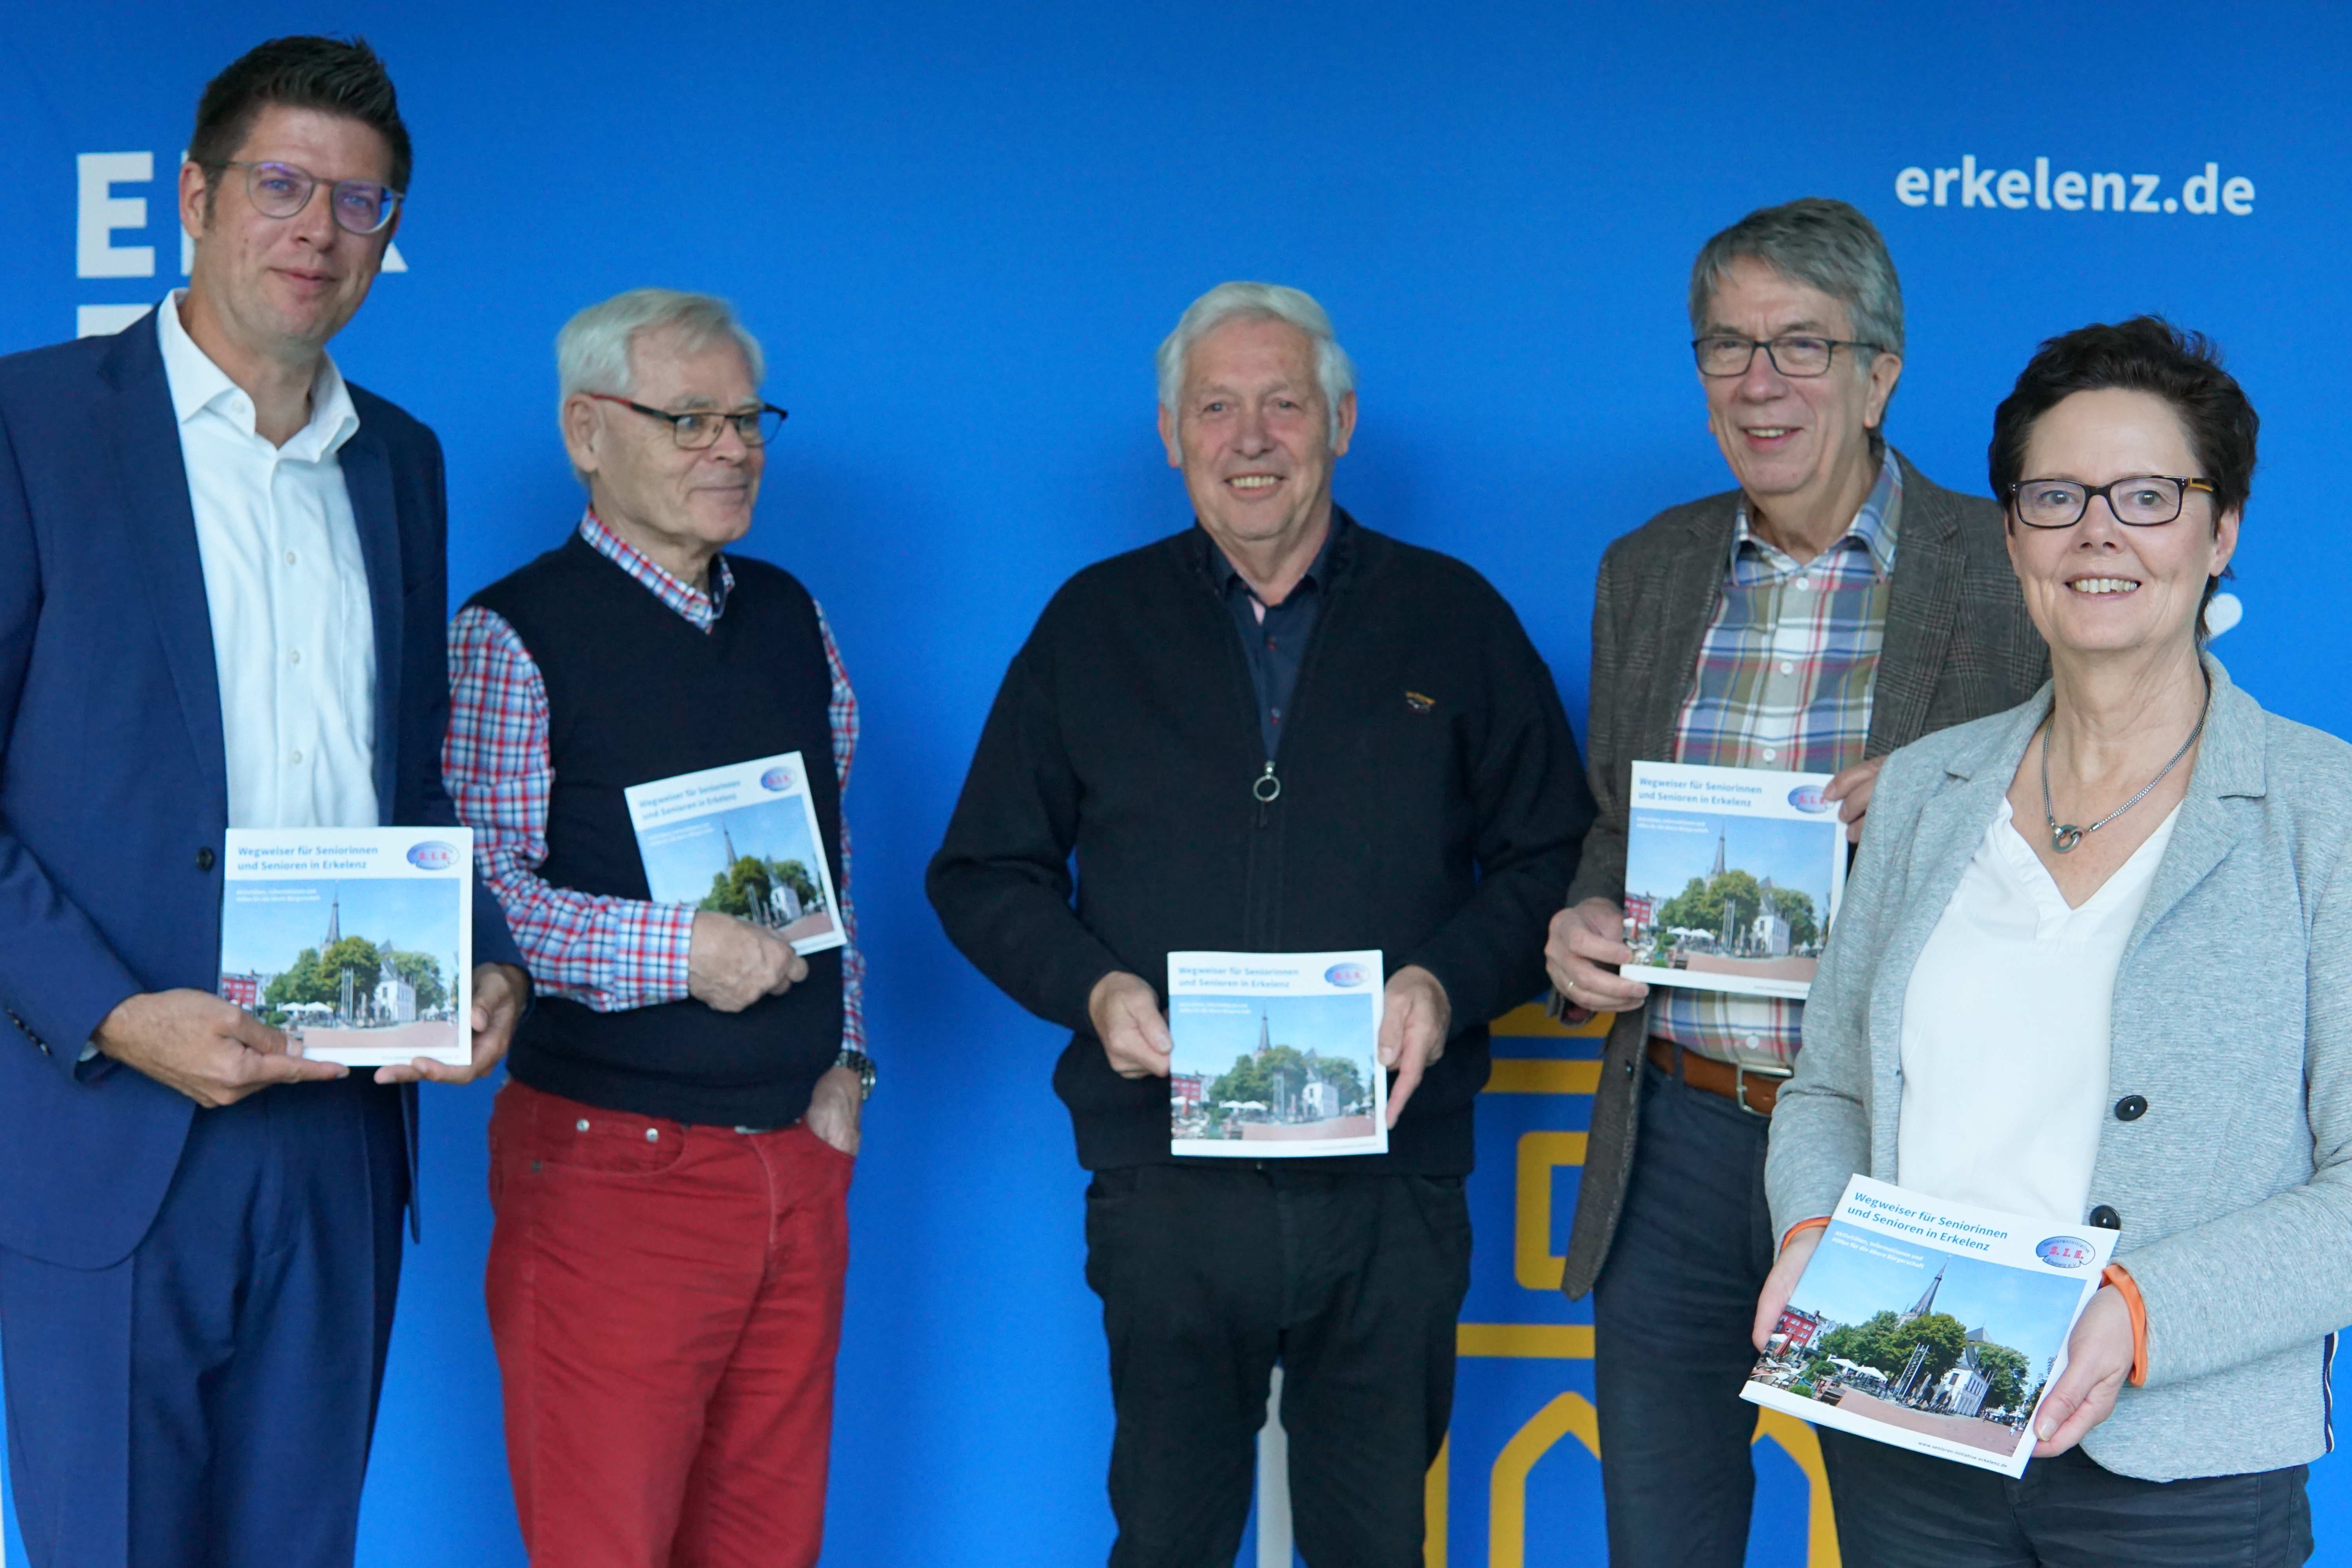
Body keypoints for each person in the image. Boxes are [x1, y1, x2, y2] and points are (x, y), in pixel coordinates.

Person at [927, 281, 1593, 1566]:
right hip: (1168, 1187)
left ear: (1340, 421)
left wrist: (1449, 983)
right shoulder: (1091, 625)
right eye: (1215, 408)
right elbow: (982, 871)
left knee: (1375, 1548)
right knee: (1169, 1542)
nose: (1251, 437)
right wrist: (1096, 991)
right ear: (1171, 435)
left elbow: (1550, 857)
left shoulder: (1454, 617)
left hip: (1393, 1184)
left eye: (1282, 404)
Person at [0, 36, 529, 1568]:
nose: (317, 230)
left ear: (389, 234)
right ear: (194, 196)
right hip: (116, 1123)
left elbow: (412, 773)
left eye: (358, 203)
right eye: (282, 186)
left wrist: (482, 953)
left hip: (342, 1136)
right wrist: (114, 1015)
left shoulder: (401, 464)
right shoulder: (33, 430)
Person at [1756, 317, 2341, 1566]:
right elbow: (1829, 1091)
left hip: (2180, 1462)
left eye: (2149, 496)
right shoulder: (1921, 794)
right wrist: (1813, 1231)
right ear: (2013, 533)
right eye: (2057, 496)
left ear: (2221, 528)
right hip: (1906, 1437)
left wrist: (2138, 1313)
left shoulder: (2324, 816)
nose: (2098, 534)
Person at [1541, 197, 2047, 1564]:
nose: (1760, 385)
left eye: (1803, 347)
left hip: (1904, 1150)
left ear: (1881, 373)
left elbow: (2098, 828)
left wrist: (1960, 801)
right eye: (1727, 348)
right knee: (1664, 1536)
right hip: (1679, 1135)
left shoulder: (2007, 571)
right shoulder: (1647, 572)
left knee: (1917, 1543)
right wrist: (1584, 929)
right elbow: (1613, 826)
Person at [446, 287, 871, 1568]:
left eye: (747, 419)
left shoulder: (794, 615)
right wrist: (672, 949)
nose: (728, 447)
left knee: (767, 1548)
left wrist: (847, 1065)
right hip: (608, 1171)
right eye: (687, 419)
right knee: (607, 1547)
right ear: (588, 433)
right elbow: (482, 895)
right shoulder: (512, 635)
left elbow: (831, 868)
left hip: (794, 1163)